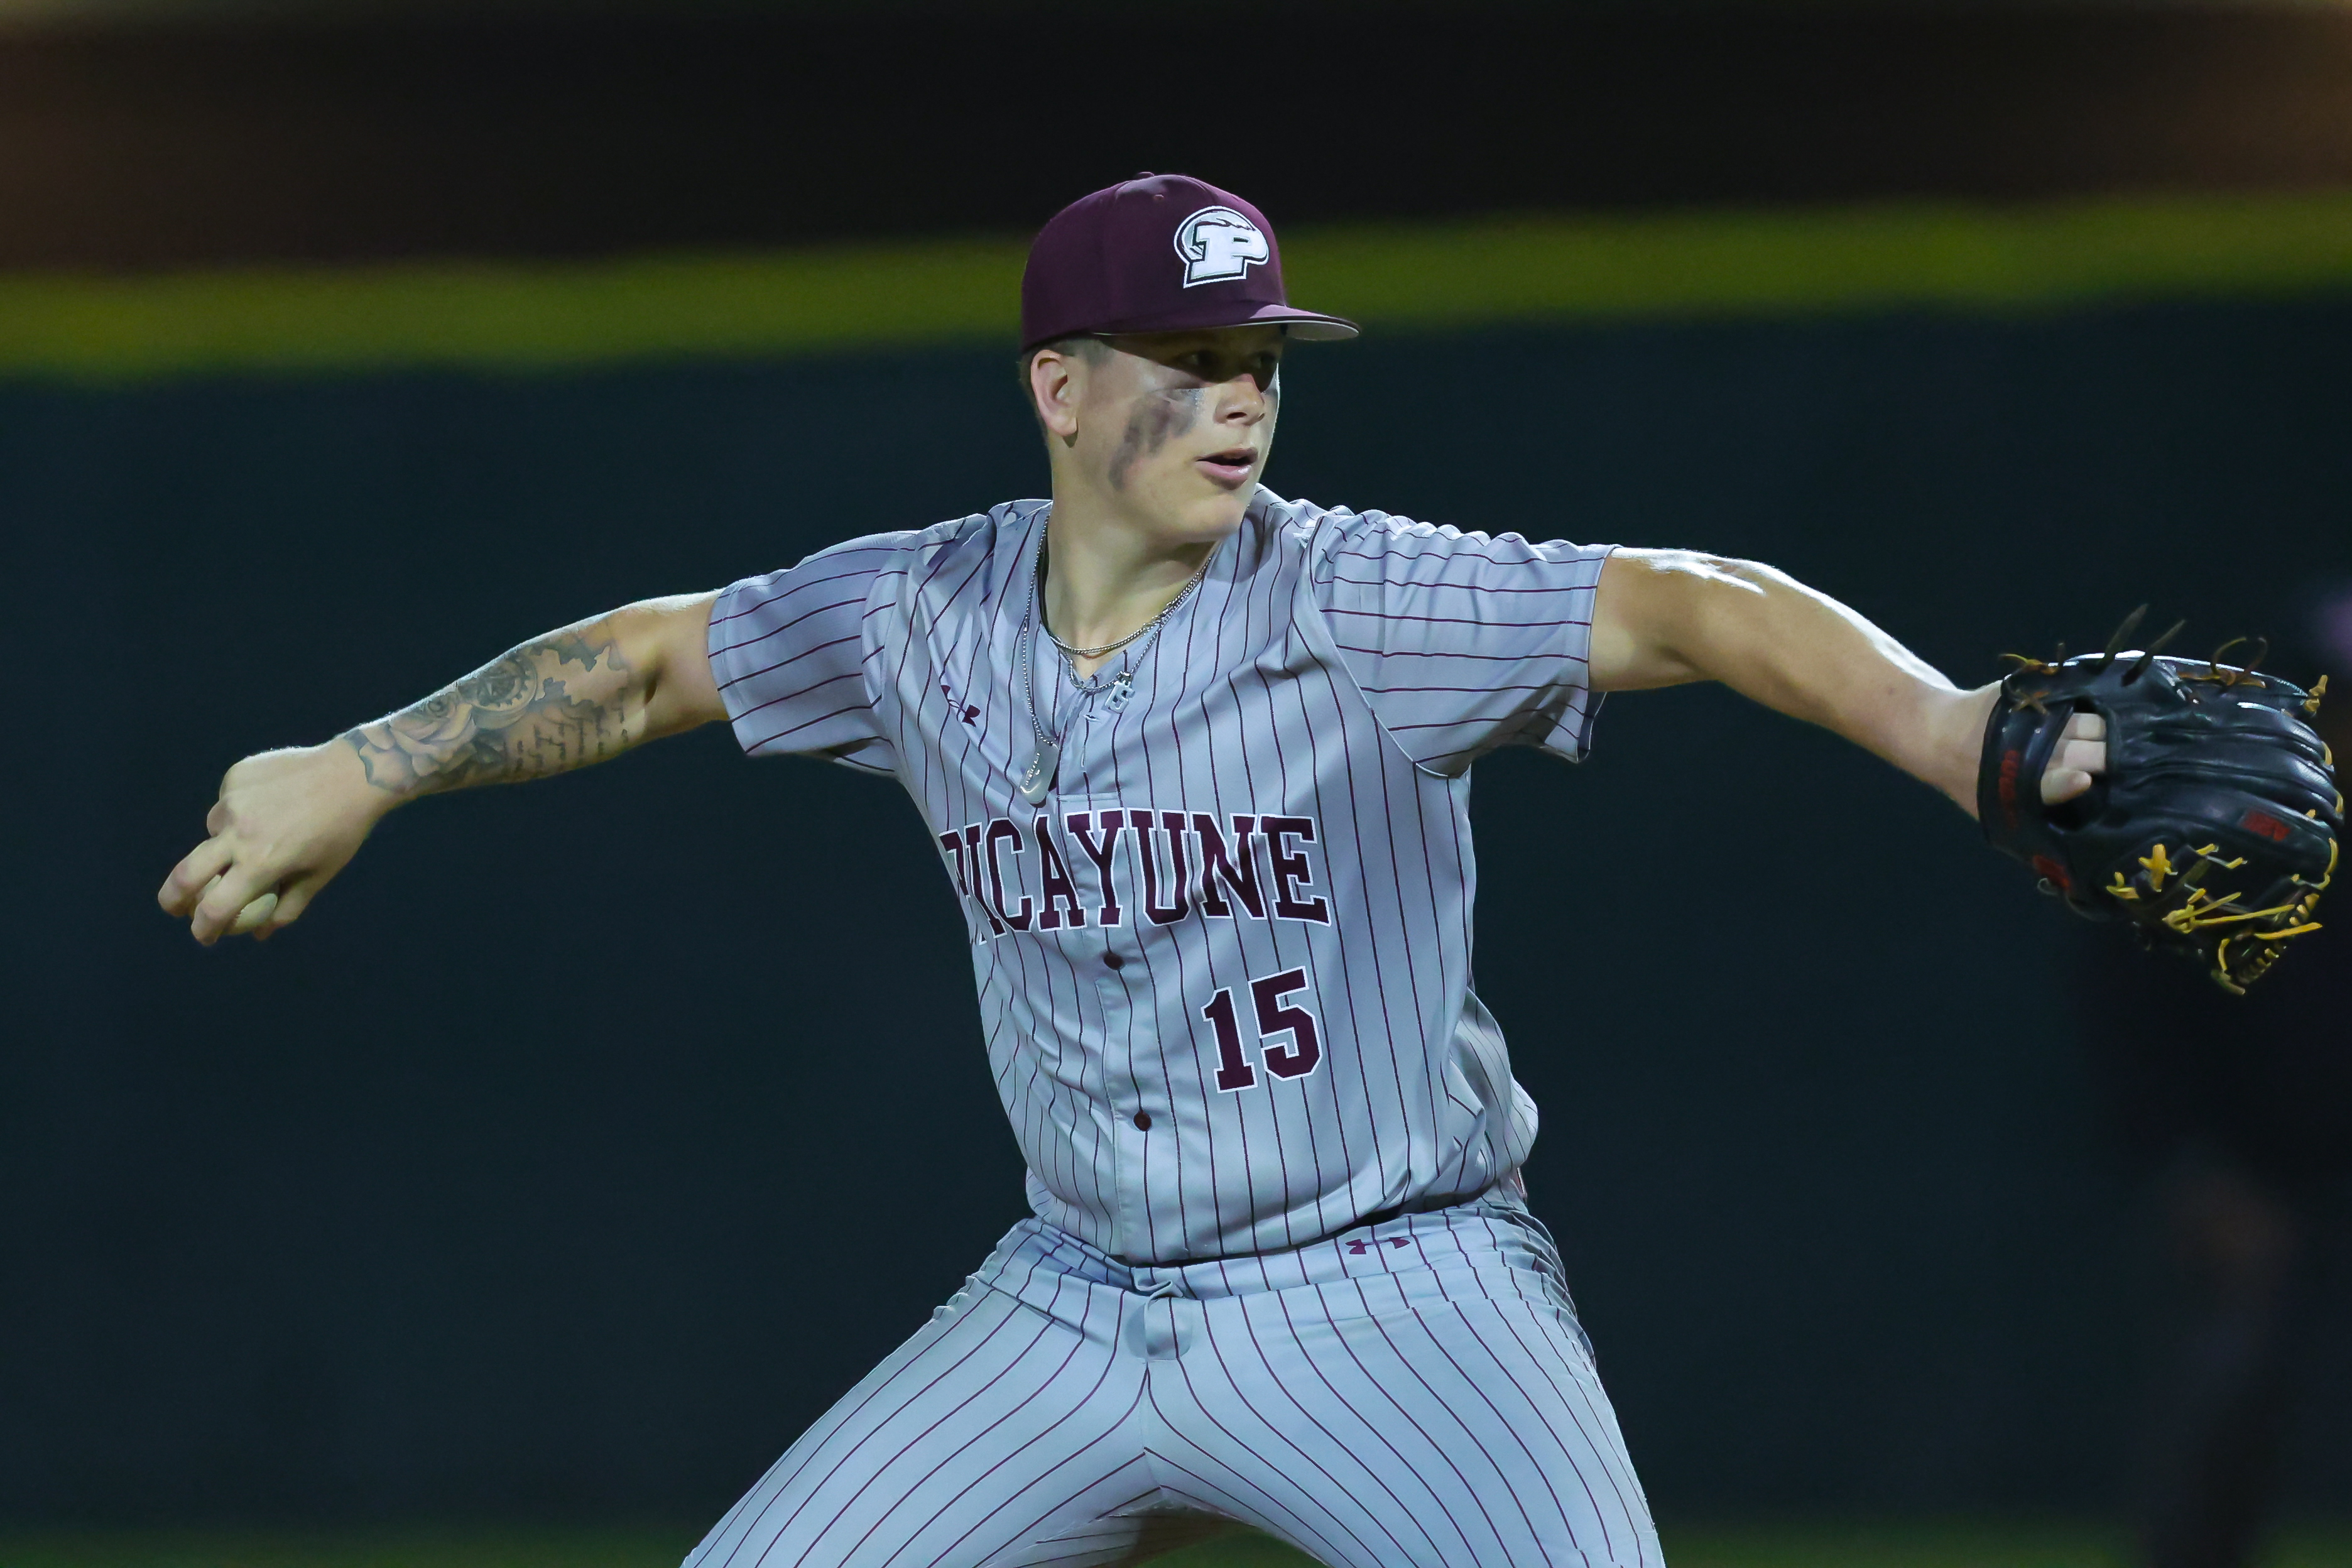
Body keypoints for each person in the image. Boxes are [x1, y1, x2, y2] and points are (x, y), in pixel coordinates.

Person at [158, 174, 2105, 1568]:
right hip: (1071, 1304)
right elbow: (661, 653)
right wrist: (363, 766)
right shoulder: (921, 613)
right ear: (1059, 388)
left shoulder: (1358, 598)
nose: (1242, 390)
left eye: (1259, 349)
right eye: (1186, 351)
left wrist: (1948, 734)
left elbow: (1693, 606)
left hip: (1395, 1295)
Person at [2076, 589, 2352, 1568]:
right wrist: (2195, 1170)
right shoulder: (2221, 836)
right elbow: (2140, 1033)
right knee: (2218, 1427)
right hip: (2257, 1190)